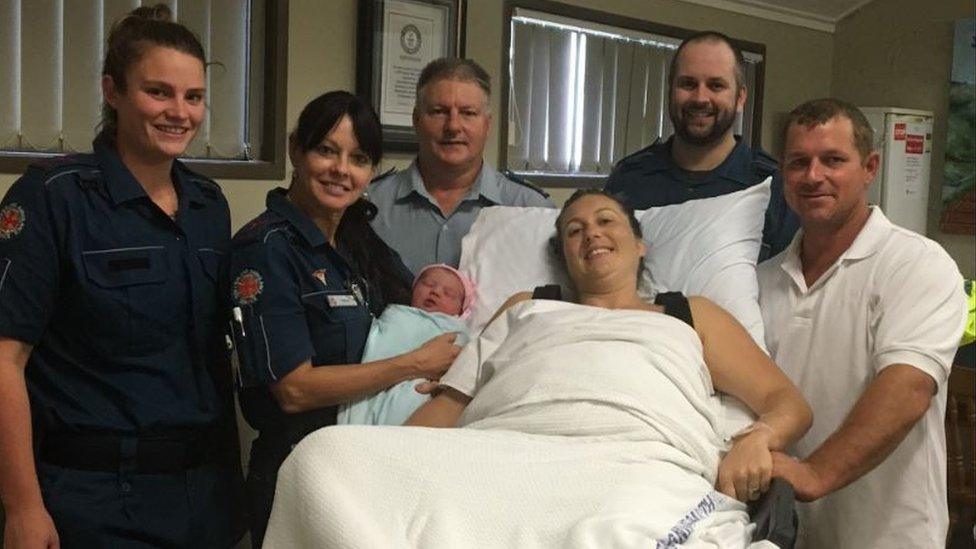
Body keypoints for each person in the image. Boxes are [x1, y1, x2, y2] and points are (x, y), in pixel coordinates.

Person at [0, 5, 245, 548]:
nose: (179, 112)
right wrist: (22, 506)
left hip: (202, 496)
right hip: (94, 499)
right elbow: (4, 360)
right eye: (158, 92)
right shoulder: (51, 200)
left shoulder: (209, 206)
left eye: (194, 96)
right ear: (113, 92)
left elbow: (211, 360)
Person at [409, 189, 812, 503]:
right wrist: (390, 460)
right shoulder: (526, 306)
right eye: (574, 230)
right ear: (564, 255)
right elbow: (451, 404)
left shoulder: (689, 315)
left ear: (640, 245)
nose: (592, 234)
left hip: (640, 472)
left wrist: (756, 439)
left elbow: (787, 403)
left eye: (606, 221)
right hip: (504, 459)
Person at [229, 91, 462, 547]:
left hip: (367, 465)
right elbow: (295, 390)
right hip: (302, 469)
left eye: (358, 158)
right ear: (297, 149)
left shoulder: (357, 245)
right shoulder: (267, 249)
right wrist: (415, 365)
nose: (341, 170)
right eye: (326, 151)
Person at [758, 98, 968, 548]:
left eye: (833, 159)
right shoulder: (761, 281)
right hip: (780, 535)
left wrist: (813, 473)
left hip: (888, 537)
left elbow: (907, 389)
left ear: (870, 167)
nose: (813, 176)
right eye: (799, 162)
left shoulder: (916, 265)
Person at [604, 31, 798, 262]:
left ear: (740, 98)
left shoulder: (776, 187)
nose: (700, 98)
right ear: (670, 90)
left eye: (716, 85)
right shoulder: (628, 178)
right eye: (688, 84)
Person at [368, 57, 555, 274]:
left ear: (487, 125)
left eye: (468, 113)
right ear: (416, 120)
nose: (453, 126)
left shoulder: (531, 209)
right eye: (439, 111)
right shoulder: (371, 206)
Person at [337, 264, 476, 426]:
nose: (435, 292)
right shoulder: (396, 314)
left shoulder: (455, 329)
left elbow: (466, 363)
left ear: (460, 311)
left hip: (419, 391)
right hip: (374, 377)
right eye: (428, 284)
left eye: (448, 294)